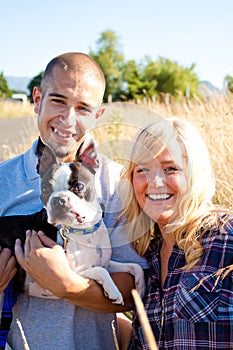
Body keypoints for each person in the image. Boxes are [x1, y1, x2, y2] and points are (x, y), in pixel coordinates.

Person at [0, 52, 146, 350]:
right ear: (37, 98)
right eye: (58, 101)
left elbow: (130, 291)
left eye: (82, 108)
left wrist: (67, 285)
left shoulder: (117, 184)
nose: (68, 119)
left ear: (98, 115)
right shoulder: (3, 181)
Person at [119, 117, 233, 349]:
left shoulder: (226, 238)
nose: (155, 182)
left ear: (194, 173)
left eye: (170, 169)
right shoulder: (146, 257)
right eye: (143, 170)